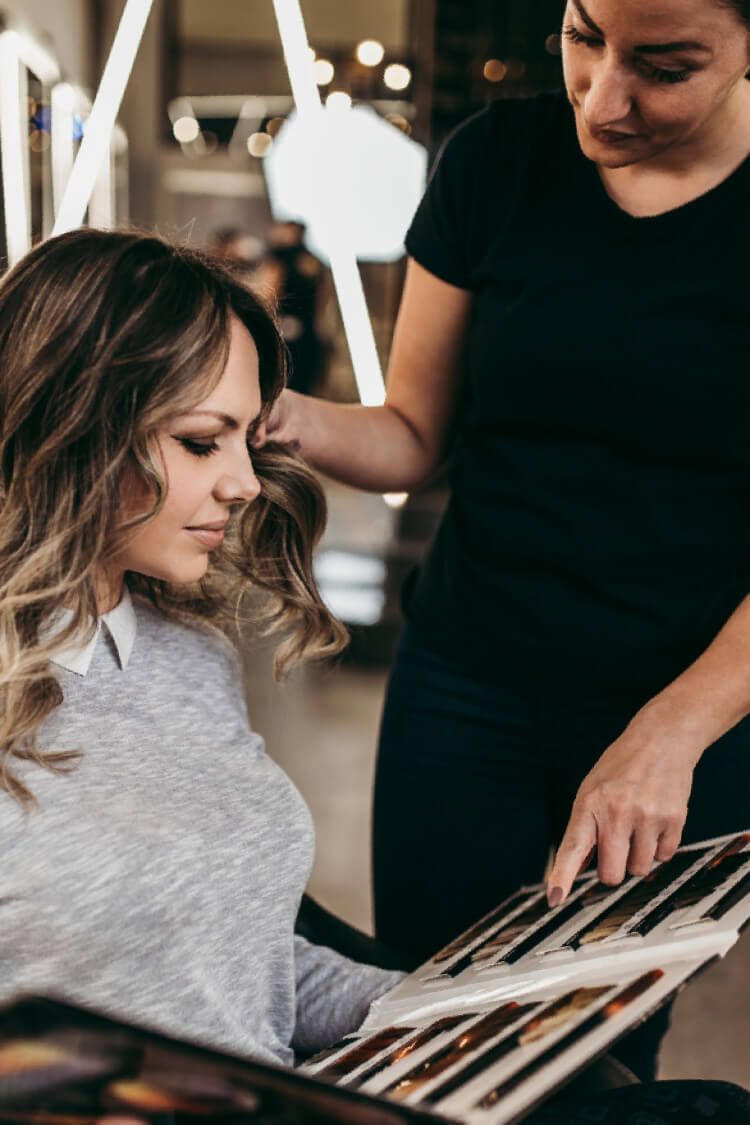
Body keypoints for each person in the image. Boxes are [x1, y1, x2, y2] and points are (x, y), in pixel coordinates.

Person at [259, 0, 750, 1079]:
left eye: (664, 67)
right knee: (425, 1030)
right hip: (466, 683)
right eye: (583, 36)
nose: (602, 97)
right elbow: (412, 435)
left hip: (686, 711)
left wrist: (670, 737)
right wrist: (270, 413)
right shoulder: (498, 163)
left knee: (585, 1057)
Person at [0, 228, 403, 1068]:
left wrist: (439, 1002)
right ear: (74, 426)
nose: (246, 482)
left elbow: (241, 968)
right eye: (197, 441)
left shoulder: (190, 652)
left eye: (246, 439)